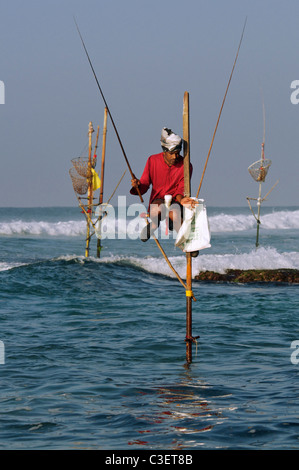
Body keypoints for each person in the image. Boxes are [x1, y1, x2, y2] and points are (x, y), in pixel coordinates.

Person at [130, 127, 198, 253]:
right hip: (158, 199)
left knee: (175, 212)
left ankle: (188, 241)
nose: (174, 157)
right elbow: (145, 184)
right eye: (171, 153)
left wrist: (181, 200)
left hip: (176, 201)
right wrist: (137, 185)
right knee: (157, 209)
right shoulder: (152, 160)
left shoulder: (186, 165)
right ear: (164, 151)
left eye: (177, 153)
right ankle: (154, 225)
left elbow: (181, 188)